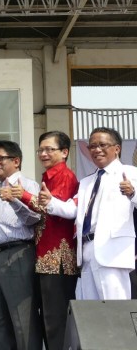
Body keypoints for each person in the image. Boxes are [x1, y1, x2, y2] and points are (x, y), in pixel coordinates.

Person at [47, 127, 136, 300]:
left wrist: (132, 193)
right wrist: (49, 202)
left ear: (116, 148)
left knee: (115, 309)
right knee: (91, 312)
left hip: (112, 252)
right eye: (92, 146)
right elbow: (73, 210)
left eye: (102, 145)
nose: (96, 150)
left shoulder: (130, 172)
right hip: (87, 250)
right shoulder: (87, 181)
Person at [11, 131, 78, 350]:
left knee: (56, 320)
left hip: (58, 259)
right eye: (41, 149)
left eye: (50, 149)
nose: (43, 153)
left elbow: (53, 209)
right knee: (47, 319)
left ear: (65, 152)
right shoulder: (48, 176)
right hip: (45, 257)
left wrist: (23, 195)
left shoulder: (65, 176)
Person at [0, 140, 42, 350]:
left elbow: (34, 218)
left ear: (16, 161)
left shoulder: (27, 185)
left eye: (1, 158)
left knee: (22, 319)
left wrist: (15, 200)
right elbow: (0, 231)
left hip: (18, 253)